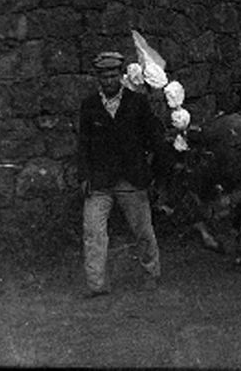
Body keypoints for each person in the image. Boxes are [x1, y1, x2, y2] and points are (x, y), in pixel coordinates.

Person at [77, 51, 165, 298]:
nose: (109, 81)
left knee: (143, 230)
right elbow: (83, 144)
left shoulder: (137, 103)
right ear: (98, 78)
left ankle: (151, 273)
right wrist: (84, 177)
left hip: (131, 178)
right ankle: (96, 285)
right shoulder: (90, 106)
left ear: (121, 76)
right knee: (93, 232)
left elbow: (155, 138)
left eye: (113, 75)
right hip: (100, 181)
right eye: (104, 76)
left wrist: (151, 172)